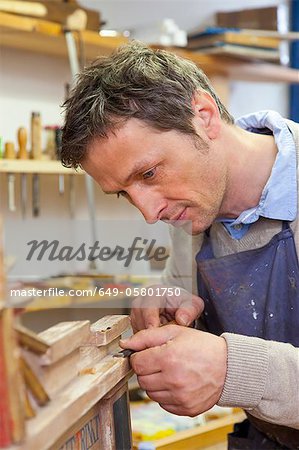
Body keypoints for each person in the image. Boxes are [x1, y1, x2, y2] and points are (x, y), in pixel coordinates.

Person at [61, 41, 299, 449]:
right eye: (123, 193)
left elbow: (238, 366)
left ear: (203, 116)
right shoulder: (192, 210)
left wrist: (234, 370)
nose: (150, 213)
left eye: (149, 173)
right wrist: (180, 321)